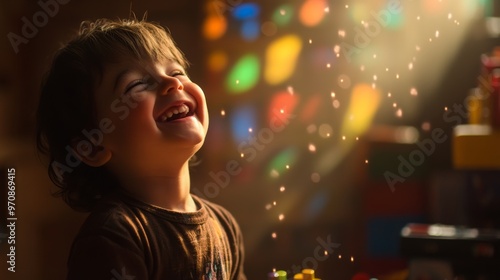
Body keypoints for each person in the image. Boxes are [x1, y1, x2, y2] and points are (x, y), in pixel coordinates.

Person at [35, 17, 246, 280]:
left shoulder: (224, 226)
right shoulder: (114, 236)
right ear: (91, 147)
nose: (173, 83)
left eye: (177, 71)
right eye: (136, 84)